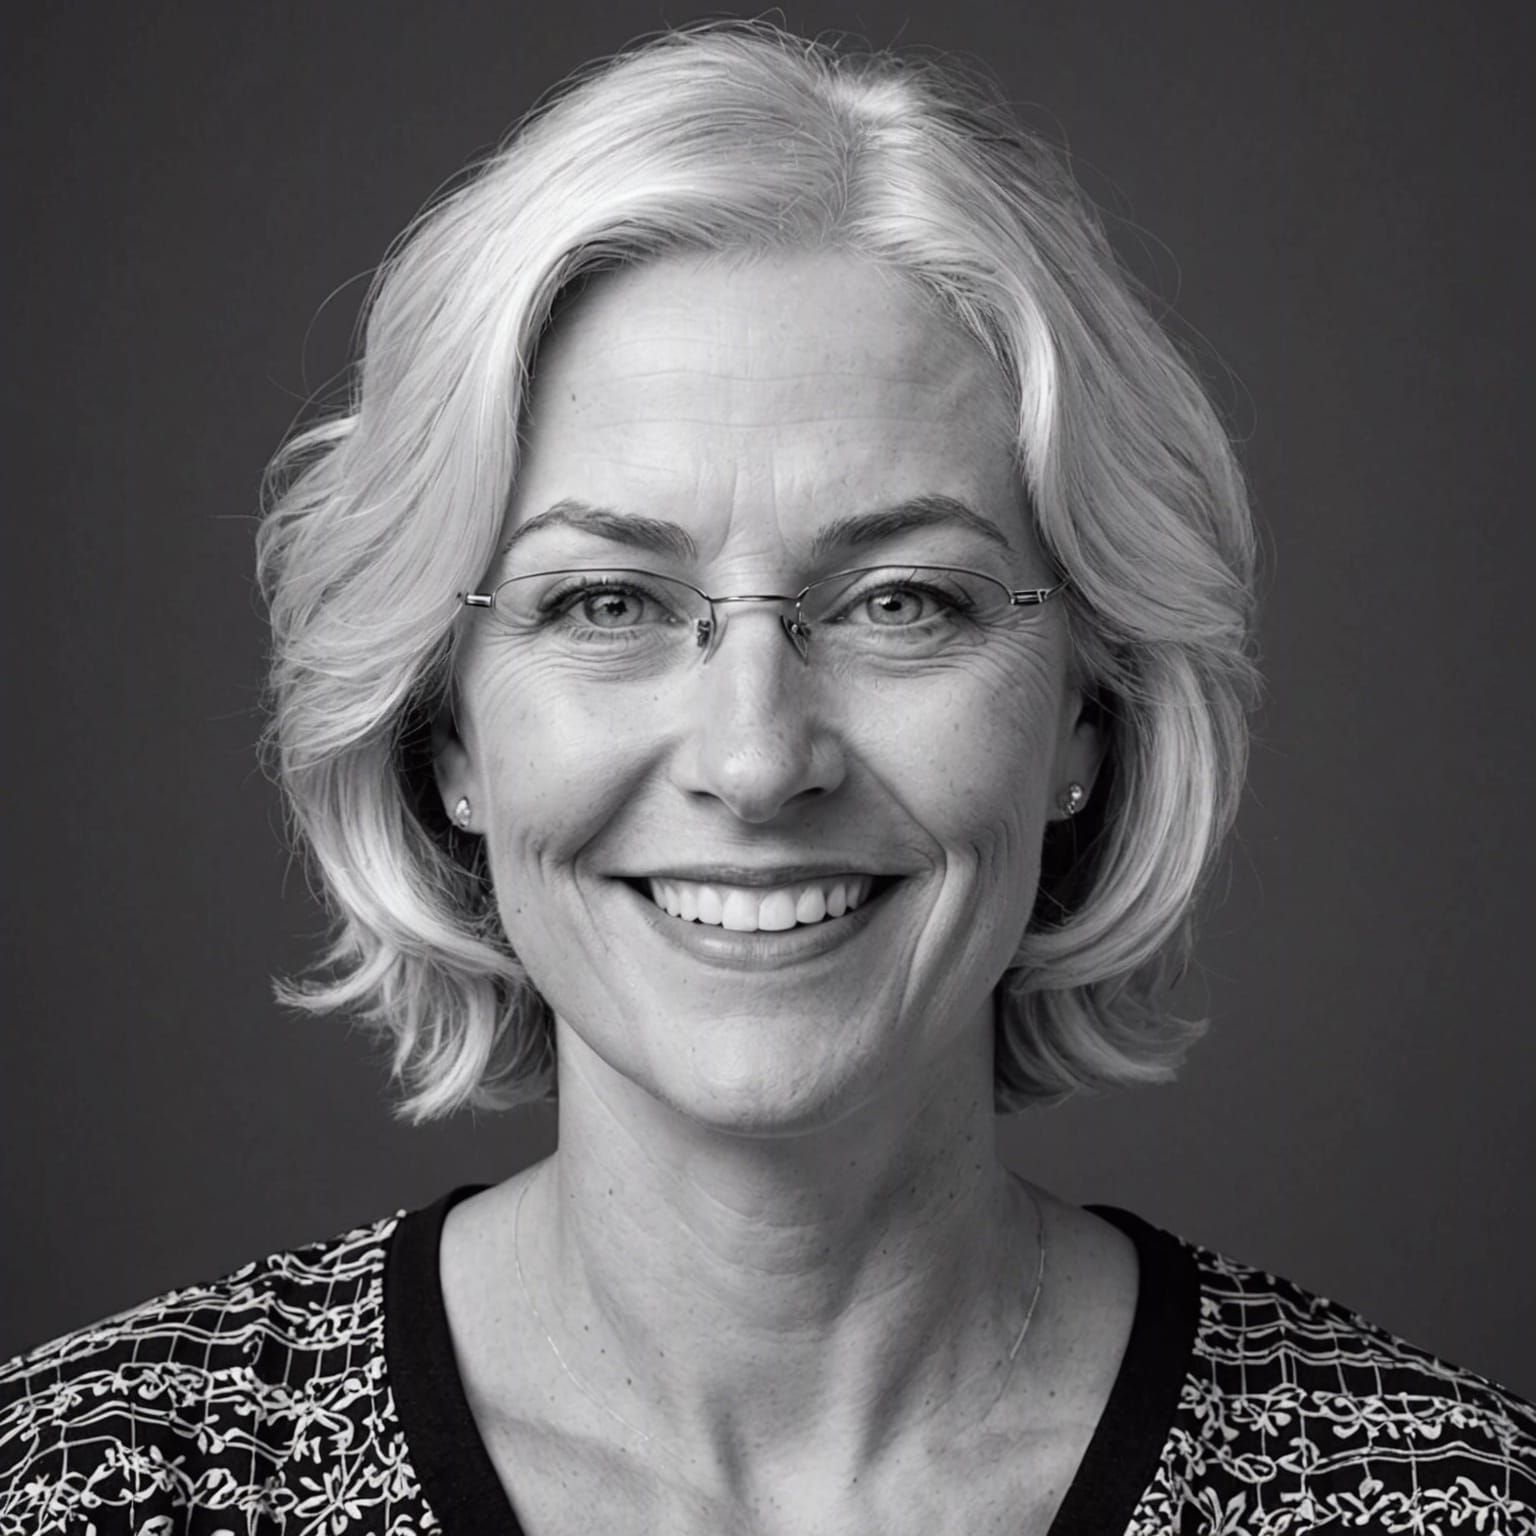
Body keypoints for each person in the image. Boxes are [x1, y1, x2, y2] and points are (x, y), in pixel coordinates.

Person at [3, 19, 1533, 1535]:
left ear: (1088, 711)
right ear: (448, 729)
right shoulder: (89, 1486)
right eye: (606, 602)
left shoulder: (1441, 1502)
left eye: (901, 603)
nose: (755, 759)